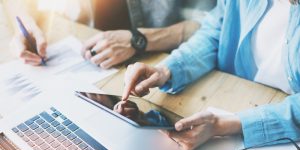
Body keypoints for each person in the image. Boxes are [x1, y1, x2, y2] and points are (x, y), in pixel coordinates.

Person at [122, 0, 300, 150]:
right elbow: (214, 33)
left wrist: (226, 125)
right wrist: (166, 70)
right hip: (230, 96)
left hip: (276, 130)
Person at [3, 0, 216, 67]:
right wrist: (24, 22)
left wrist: (139, 39)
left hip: (166, 59)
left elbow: (218, 21)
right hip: (77, 55)